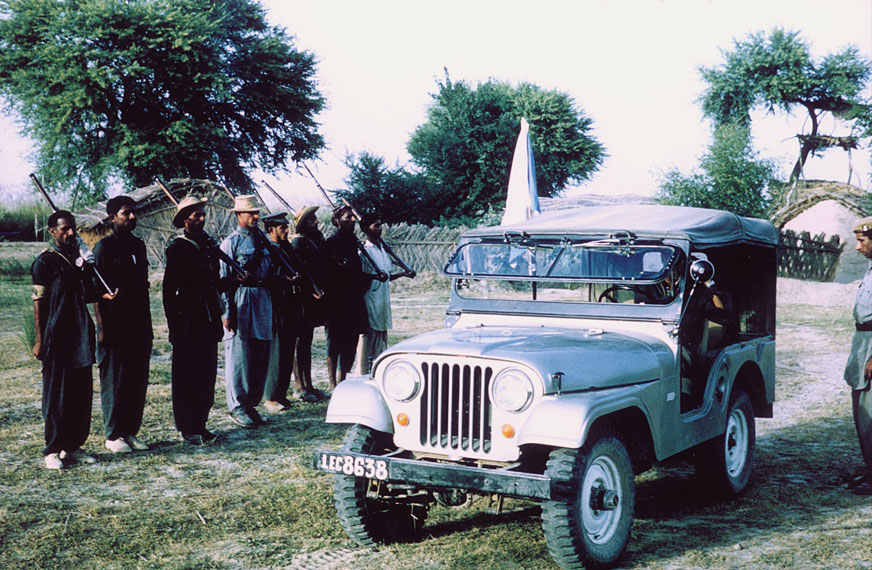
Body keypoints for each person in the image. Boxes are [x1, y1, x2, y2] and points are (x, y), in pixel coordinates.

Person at [32, 210, 115, 469]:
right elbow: (39, 303)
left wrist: (100, 291)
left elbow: (86, 293)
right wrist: (39, 339)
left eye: (72, 229)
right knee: (56, 394)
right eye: (64, 229)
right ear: (52, 231)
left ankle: (72, 446)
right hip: (57, 335)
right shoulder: (45, 262)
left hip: (81, 333)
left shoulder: (79, 259)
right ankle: (52, 449)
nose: (70, 233)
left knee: (80, 393)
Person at [162, 196, 224, 445]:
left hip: (208, 318)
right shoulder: (178, 248)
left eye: (202, 214)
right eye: (196, 215)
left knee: (206, 375)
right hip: (187, 321)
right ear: (185, 220)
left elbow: (214, 282)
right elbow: (169, 291)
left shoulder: (208, 246)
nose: (201, 219)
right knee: (187, 376)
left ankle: (200, 423)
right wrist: (174, 326)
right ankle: (186, 426)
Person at [93, 196, 152, 453]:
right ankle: (113, 433)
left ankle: (129, 431)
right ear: (112, 217)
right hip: (115, 324)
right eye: (126, 213)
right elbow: (96, 292)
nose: (132, 217)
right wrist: (103, 328)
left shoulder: (138, 246)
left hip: (139, 322)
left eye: (133, 212)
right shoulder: (103, 248)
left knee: (136, 379)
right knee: (115, 379)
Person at [220, 195, 273, 428]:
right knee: (240, 356)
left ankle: (252, 404)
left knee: (261, 354)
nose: (255, 216)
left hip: (263, 298)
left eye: (256, 212)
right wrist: (227, 311)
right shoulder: (230, 243)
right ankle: (238, 406)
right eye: (251, 213)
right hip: (241, 299)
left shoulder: (262, 241)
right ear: (239, 215)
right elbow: (224, 280)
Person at [325, 205, 369, 389]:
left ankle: (342, 380)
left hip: (354, 298)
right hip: (337, 301)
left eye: (352, 217)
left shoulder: (354, 242)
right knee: (335, 342)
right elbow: (328, 272)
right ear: (337, 221)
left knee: (351, 342)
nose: (352, 220)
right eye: (347, 217)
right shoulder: (331, 242)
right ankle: (332, 383)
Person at [262, 211, 302, 413]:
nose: (287, 230)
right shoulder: (268, 250)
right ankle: (270, 397)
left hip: (291, 303)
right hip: (277, 305)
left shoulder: (286, 248)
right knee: (277, 353)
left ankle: (281, 394)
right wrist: (283, 280)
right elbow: (268, 276)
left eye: (287, 227)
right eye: (282, 228)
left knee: (287, 351)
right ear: (271, 230)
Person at [358, 213, 407, 374]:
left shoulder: (383, 250)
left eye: (380, 225)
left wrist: (403, 274)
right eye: (376, 226)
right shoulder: (364, 252)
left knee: (381, 336)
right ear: (366, 229)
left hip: (382, 299)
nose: (379, 229)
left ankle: (378, 371)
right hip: (370, 298)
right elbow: (362, 277)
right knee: (369, 337)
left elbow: (386, 276)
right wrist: (375, 278)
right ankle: (363, 373)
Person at [289, 205, 329, 402]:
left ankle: (309, 385)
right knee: (300, 344)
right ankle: (300, 387)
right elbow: (297, 273)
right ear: (304, 223)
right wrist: (309, 291)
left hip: (313, 299)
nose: (316, 222)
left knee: (307, 343)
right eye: (312, 219)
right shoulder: (298, 243)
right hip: (302, 300)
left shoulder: (313, 242)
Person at [845, 216, 872, 494]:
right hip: (864, 340)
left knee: (870, 414)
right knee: (863, 414)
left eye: (862, 240)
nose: (857, 246)